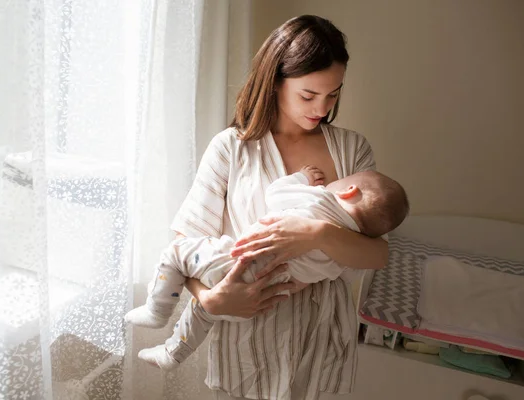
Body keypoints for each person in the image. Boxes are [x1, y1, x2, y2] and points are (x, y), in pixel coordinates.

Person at [164, 15, 389, 400]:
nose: (321, 107)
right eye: (308, 95)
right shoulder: (231, 148)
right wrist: (211, 299)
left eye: (333, 94)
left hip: (321, 340)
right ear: (276, 81)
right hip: (245, 336)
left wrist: (314, 234)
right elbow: (186, 244)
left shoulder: (352, 150)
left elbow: (377, 253)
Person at [125, 165, 408, 371]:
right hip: (266, 293)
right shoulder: (346, 252)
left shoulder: (320, 199)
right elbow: (340, 271)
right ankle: (173, 353)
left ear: (349, 190)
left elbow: (276, 193)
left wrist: (304, 178)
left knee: (176, 252)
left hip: (237, 260)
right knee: (204, 312)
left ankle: (157, 309)